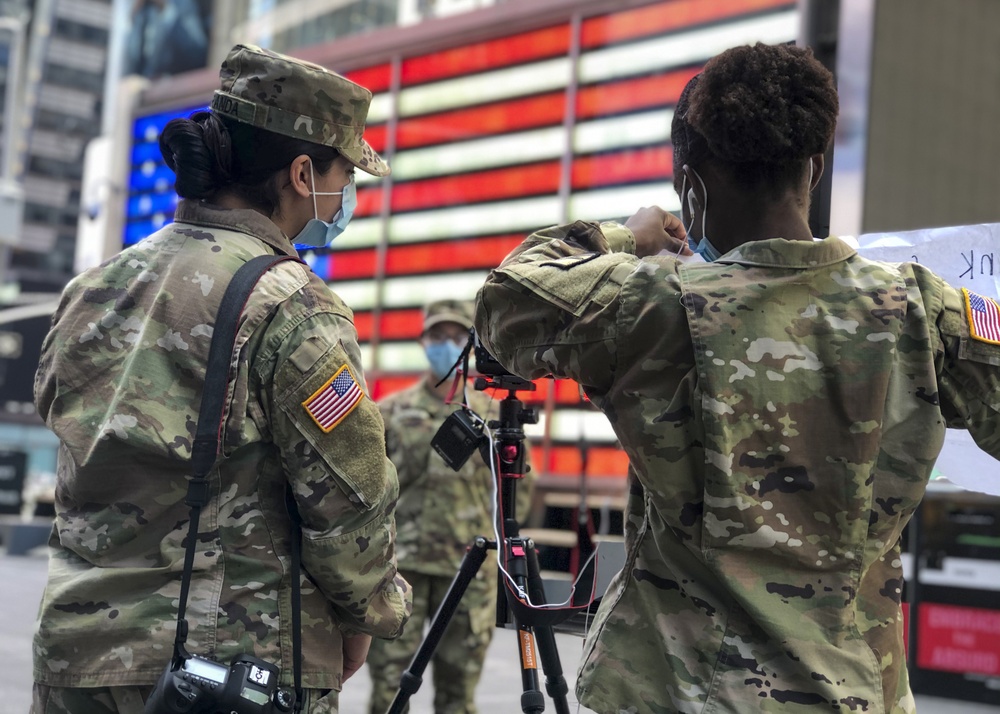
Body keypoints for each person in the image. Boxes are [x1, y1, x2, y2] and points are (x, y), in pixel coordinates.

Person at [475, 42, 1000, 713]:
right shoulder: (922, 311)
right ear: (813, 165)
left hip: (677, 692)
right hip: (850, 691)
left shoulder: (650, 308)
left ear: (691, 186)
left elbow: (507, 301)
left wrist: (626, 234)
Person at [32, 44, 411, 714]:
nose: (347, 192)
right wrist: (369, 616)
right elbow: (348, 496)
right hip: (228, 670)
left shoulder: (92, 289)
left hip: (76, 661)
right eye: (344, 171)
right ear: (302, 172)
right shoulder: (293, 304)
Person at [366, 299, 534, 714]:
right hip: (399, 568)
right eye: (437, 336)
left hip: (468, 571)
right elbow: (368, 491)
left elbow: (518, 494)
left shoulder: (492, 417)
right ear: (423, 342)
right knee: (389, 684)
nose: (446, 345)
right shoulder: (389, 412)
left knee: (458, 691)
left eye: (456, 337)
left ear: (471, 344)